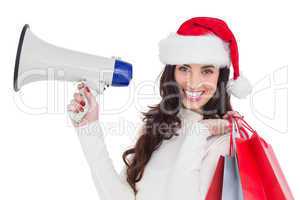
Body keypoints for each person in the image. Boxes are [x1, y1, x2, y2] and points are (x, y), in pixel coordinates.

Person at [67, 17, 252, 200]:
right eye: (184, 68)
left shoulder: (225, 142)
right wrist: (88, 128)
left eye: (207, 70)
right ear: (173, 71)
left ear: (221, 76)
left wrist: (199, 133)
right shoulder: (158, 127)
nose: (193, 82)